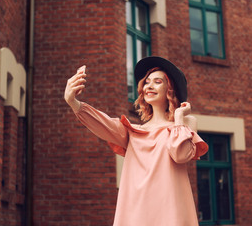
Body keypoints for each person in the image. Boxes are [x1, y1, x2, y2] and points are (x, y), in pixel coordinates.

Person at [64, 56, 208, 226]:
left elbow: (181, 155)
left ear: (170, 89)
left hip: (170, 210)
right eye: (146, 82)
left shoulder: (185, 123)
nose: (149, 86)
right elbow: (103, 123)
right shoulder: (132, 132)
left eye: (157, 82)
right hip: (136, 210)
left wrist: (178, 118)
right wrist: (73, 102)